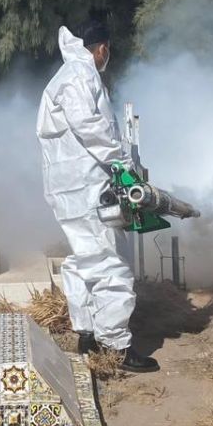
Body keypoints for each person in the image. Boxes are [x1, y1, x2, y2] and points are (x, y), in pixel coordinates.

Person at [36, 21, 159, 373]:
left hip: (69, 188)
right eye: (109, 52)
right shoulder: (79, 75)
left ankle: (87, 332)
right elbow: (89, 125)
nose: (108, 58)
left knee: (84, 260)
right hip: (85, 187)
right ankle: (117, 348)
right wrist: (122, 164)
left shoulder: (65, 76)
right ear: (101, 49)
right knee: (111, 266)